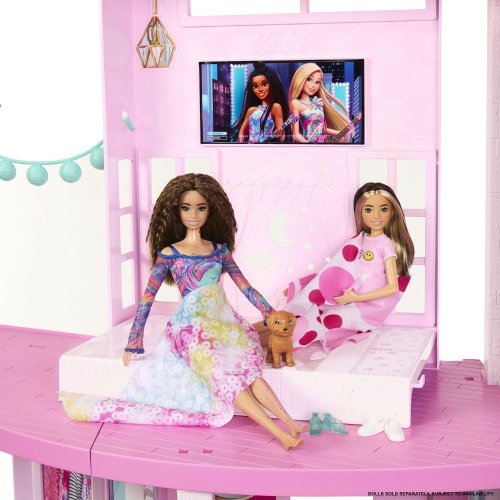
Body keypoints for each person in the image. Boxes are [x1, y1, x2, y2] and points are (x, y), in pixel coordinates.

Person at [61, 173, 306, 450]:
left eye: (201, 208)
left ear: (212, 210)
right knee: (230, 381)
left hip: (222, 323)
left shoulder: (219, 250)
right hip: (189, 329)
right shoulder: (170, 254)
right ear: (175, 211)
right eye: (186, 208)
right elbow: (148, 297)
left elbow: (244, 286)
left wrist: (270, 313)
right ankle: (280, 435)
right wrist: (134, 339)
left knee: (250, 374)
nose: (193, 215)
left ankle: (291, 423)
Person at [254, 182, 414, 350]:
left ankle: (249, 340)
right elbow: (334, 270)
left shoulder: (385, 243)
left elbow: (392, 287)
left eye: (383, 209)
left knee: (307, 325)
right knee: (288, 316)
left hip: (359, 307)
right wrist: (304, 285)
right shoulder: (358, 241)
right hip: (341, 299)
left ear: (392, 212)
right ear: (360, 212)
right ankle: (245, 332)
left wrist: (355, 298)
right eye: (368, 210)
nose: (376, 215)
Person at [288, 62, 353, 143]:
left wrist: (343, 133)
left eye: (317, 82)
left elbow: (323, 129)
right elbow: (296, 135)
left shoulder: (317, 103)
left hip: (322, 142)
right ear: (301, 79)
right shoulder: (295, 103)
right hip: (308, 142)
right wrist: (308, 146)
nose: (313, 86)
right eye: (309, 79)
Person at [230, 62, 289, 143]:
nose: (260, 89)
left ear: (272, 84)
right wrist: (242, 146)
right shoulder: (251, 110)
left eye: (264, 84)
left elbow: (281, 138)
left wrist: (280, 132)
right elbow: (242, 131)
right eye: (255, 86)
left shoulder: (275, 107)